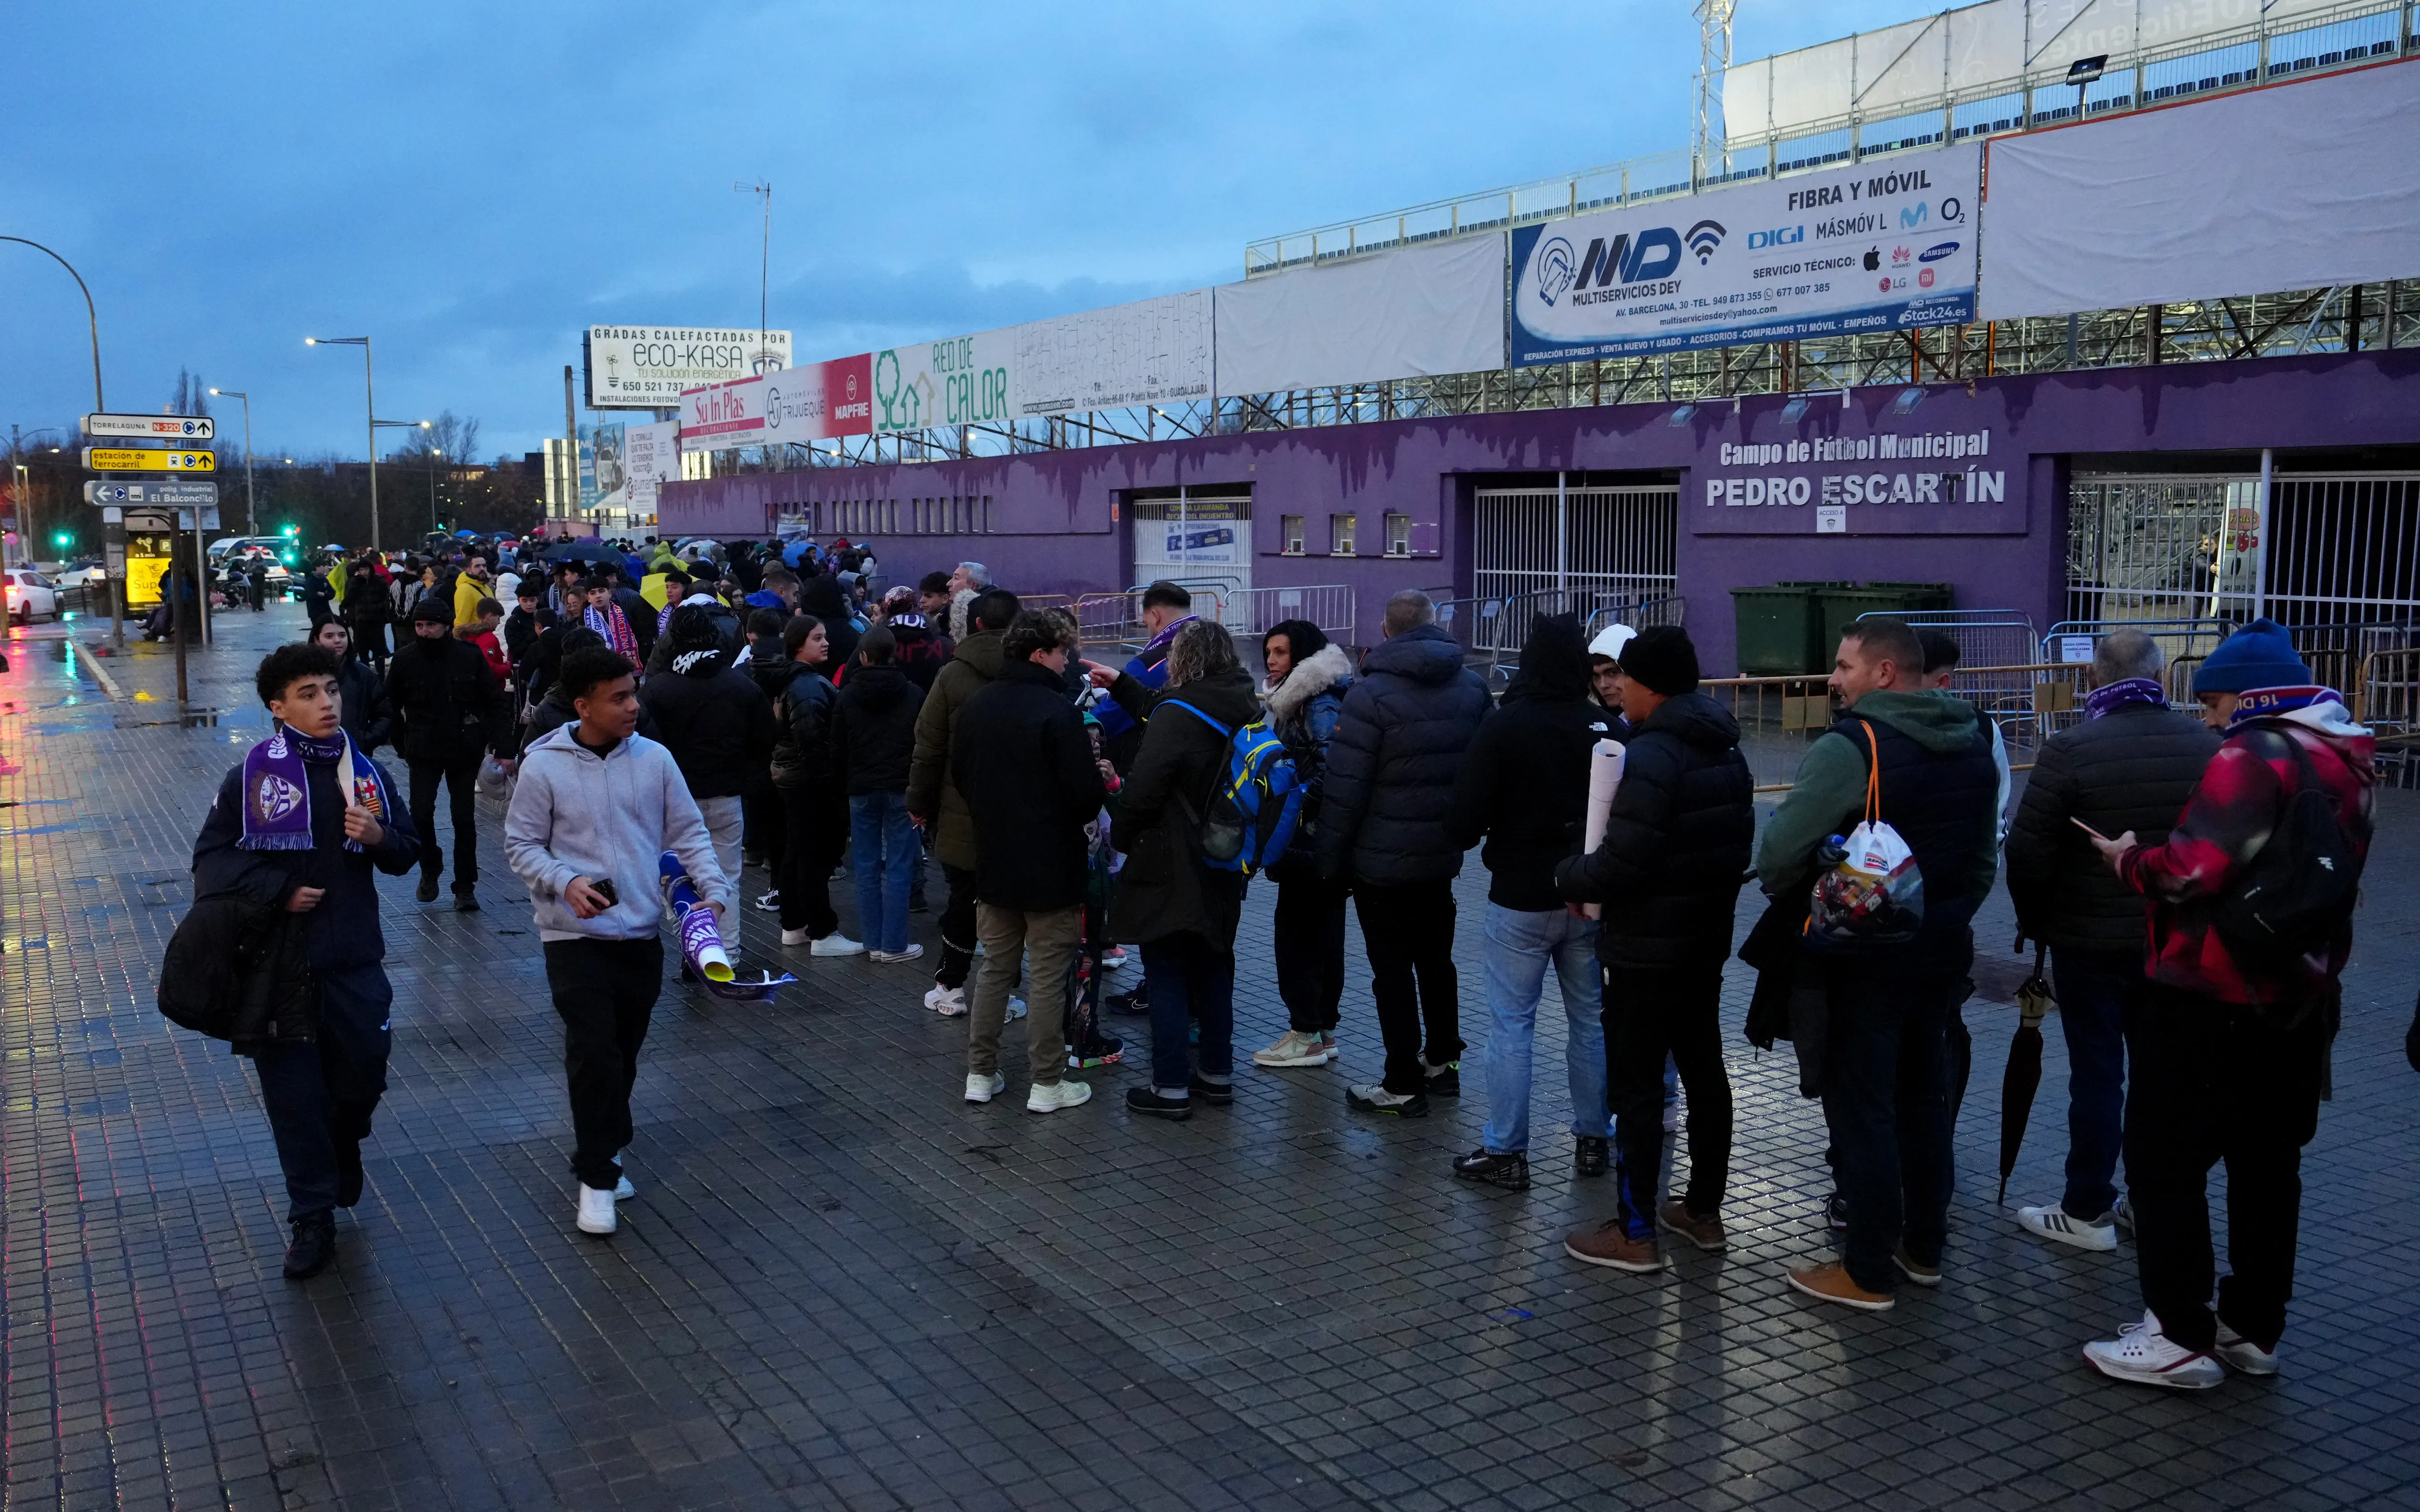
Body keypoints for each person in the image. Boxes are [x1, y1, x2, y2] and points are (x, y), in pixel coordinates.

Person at [2077, 620, 2374, 1388]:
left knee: (2162, 1160)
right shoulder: (2347, 758)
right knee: (2267, 1167)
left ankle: (2178, 1334)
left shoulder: (2252, 755)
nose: (2208, 722)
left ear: (2249, 696)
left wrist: (2127, 860)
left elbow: (2188, 871)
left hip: (2208, 993)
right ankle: (2251, 1327)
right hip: (2299, 997)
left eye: (2212, 704)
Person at [1757, 617, 1999, 1311]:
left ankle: (1865, 1270)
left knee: (1864, 1111)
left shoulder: (1853, 745)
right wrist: (1942, 916)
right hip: (1942, 951)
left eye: (1844, 666)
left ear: (1885, 673)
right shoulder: (1976, 737)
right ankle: (1923, 1249)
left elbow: (1778, 855)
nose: (1834, 679)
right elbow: (1984, 860)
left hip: (1862, 958)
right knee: (1926, 1100)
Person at [190, 642, 420, 1277]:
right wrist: (280, 891)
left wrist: (380, 836)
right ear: (278, 707)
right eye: (309, 694)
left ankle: (344, 1142)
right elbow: (211, 863)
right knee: (295, 1098)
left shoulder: (366, 774)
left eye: (332, 690)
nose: (327, 703)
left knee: (363, 1079)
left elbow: (407, 852)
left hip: (354, 961)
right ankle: (311, 1217)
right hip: (277, 969)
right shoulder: (251, 778)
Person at [504, 646, 732, 1238]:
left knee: (623, 1054)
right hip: (572, 936)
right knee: (594, 1051)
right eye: (620, 698)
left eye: (634, 694)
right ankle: (597, 1175)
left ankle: (608, 1140)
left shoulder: (655, 759)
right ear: (583, 706)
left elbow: (689, 833)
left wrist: (714, 892)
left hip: (640, 932)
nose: (634, 706)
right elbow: (521, 845)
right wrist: (566, 881)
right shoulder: (543, 766)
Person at [2004, 630, 2216, 1253]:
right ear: (2163, 678)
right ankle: (2150, 1203)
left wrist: (2036, 922)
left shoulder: (2070, 749)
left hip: (2089, 941)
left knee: (2098, 1076)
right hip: (2176, 943)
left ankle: (2086, 1208)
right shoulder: (2207, 746)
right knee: (2162, 1079)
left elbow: (2027, 851)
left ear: (2094, 679)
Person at [1555, 625, 1753, 1272]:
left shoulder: (1652, 754)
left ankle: (1635, 1231)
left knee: (1637, 1089)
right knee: (1704, 1072)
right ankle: (1702, 1211)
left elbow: (1624, 861)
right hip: (1703, 942)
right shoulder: (1727, 748)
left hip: (1645, 950)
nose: (1618, 690)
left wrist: (1571, 876)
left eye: (1627, 679)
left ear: (1652, 687)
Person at [1442, 614, 1613, 1191]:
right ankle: (1595, 1140)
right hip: (1589, 898)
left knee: (1512, 1025)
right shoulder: (1606, 728)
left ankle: (1507, 1150)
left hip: (1518, 897)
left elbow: (1463, 822)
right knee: (1590, 1021)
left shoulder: (1505, 726)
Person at [1318, 590, 1491, 1116]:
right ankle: (1442, 1063)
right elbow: (1484, 770)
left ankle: (1402, 1082)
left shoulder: (1369, 694)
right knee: (1437, 962)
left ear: (1385, 630)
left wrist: (1330, 861)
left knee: (1391, 971)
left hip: (1380, 862)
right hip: (1441, 856)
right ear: (1435, 624)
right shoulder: (1473, 686)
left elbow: (1346, 789)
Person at [950, 611, 1110, 1112]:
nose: (1068, 662)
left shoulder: (977, 705)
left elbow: (961, 776)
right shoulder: (1058, 712)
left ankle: (980, 1073)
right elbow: (1085, 797)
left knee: (995, 970)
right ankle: (1047, 1081)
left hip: (994, 860)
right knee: (1046, 974)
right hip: (1051, 864)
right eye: (1063, 652)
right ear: (1040, 654)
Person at [907, 587, 1016, 1014]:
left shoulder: (952, 676)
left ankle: (949, 986)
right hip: (1016, 816)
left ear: (975, 625)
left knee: (962, 901)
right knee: (1007, 907)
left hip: (959, 813)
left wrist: (919, 802)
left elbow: (928, 747)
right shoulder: (1031, 672)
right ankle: (1004, 993)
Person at [1252, 620, 1356, 1068]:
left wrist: (1293, 809)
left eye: (1280, 652)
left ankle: (1306, 1033)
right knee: (1323, 937)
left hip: (1309, 843)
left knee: (1298, 938)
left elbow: (1332, 767)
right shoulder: (1303, 699)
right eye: (1269, 652)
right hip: (1319, 842)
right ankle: (1322, 1030)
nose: (1271, 661)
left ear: (1303, 657)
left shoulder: (1317, 703)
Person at [637, 603, 777, 886]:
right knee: (726, 882)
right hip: (727, 796)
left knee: (679, 884)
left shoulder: (656, 690)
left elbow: (642, 744)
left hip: (676, 798)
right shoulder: (742, 685)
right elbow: (765, 741)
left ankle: (690, 919)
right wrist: (744, 780)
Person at [386, 597, 511, 910]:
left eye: (431, 625)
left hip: (463, 748)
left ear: (445, 626)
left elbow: (494, 702)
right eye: (419, 625)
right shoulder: (405, 659)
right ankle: (431, 866)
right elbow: (390, 706)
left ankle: (465, 886)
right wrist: (401, 743)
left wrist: (502, 746)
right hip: (423, 750)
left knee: (463, 819)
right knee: (420, 814)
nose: (424, 631)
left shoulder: (468, 656)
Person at [831, 626, 926, 962]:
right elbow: (923, 743)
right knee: (900, 866)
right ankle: (895, 945)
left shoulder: (847, 695)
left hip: (861, 788)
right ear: (894, 654)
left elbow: (837, 748)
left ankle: (872, 941)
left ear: (863, 657)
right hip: (902, 788)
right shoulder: (913, 694)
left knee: (866, 866)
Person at [769, 614, 859, 955]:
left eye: (824, 637)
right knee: (814, 856)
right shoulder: (807, 685)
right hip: (809, 782)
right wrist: (830, 785)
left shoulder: (796, 680)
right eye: (817, 638)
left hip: (793, 777)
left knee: (797, 851)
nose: (826, 643)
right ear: (798, 645)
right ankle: (822, 932)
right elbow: (812, 740)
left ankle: (795, 925)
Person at [312, 620, 392, 754]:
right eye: (329, 636)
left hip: (355, 754)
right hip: (312, 753)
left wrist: (364, 740)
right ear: (317, 640)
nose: (337, 640)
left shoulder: (363, 674)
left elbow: (385, 714)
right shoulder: (303, 673)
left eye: (342, 635)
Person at [344, 554, 393, 671]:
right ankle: (366, 675)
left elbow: (387, 598)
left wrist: (380, 609)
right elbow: (349, 599)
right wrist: (355, 581)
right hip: (360, 622)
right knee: (362, 651)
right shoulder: (355, 582)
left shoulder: (379, 581)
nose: (364, 572)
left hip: (376, 622)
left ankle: (380, 676)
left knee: (379, 651)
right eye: (361, 570)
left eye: (366, 569)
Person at [580, 574, 641, 664]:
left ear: (610, 593)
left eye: (601, 591)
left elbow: (638, 639)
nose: (598, 596)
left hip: (625, 664)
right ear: (588, 598)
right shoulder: (583, 621)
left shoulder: (624, 616)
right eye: (593, 593)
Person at [451, 554, 495, 630]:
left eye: (484, 566)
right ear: (469, 570)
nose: (482, 569)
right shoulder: (465, 590)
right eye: (477, 566)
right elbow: (462, 622)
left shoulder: (485, 586)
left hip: (488, 632)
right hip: (476, 634)